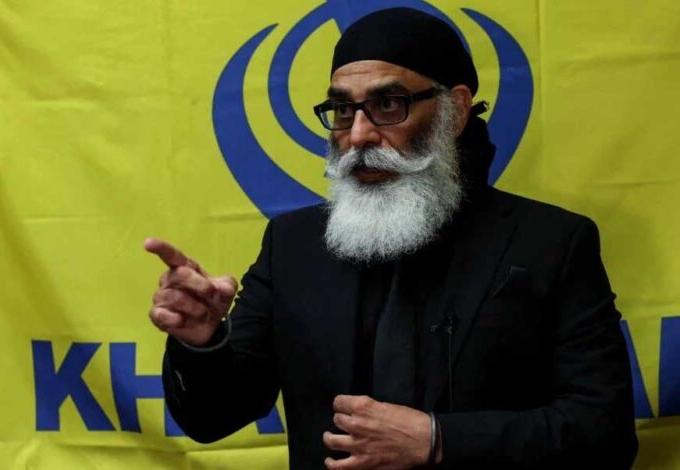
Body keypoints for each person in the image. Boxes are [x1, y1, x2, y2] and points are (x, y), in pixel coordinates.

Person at [145, 8, 638, 470]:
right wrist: (202, 342)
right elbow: (212, 418)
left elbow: (606, 435)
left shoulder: (550, 243)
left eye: (388, 104)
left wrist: (438, 439)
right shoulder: (292, 246)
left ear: (455, 110)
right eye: (343, 110)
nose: (359, 135)